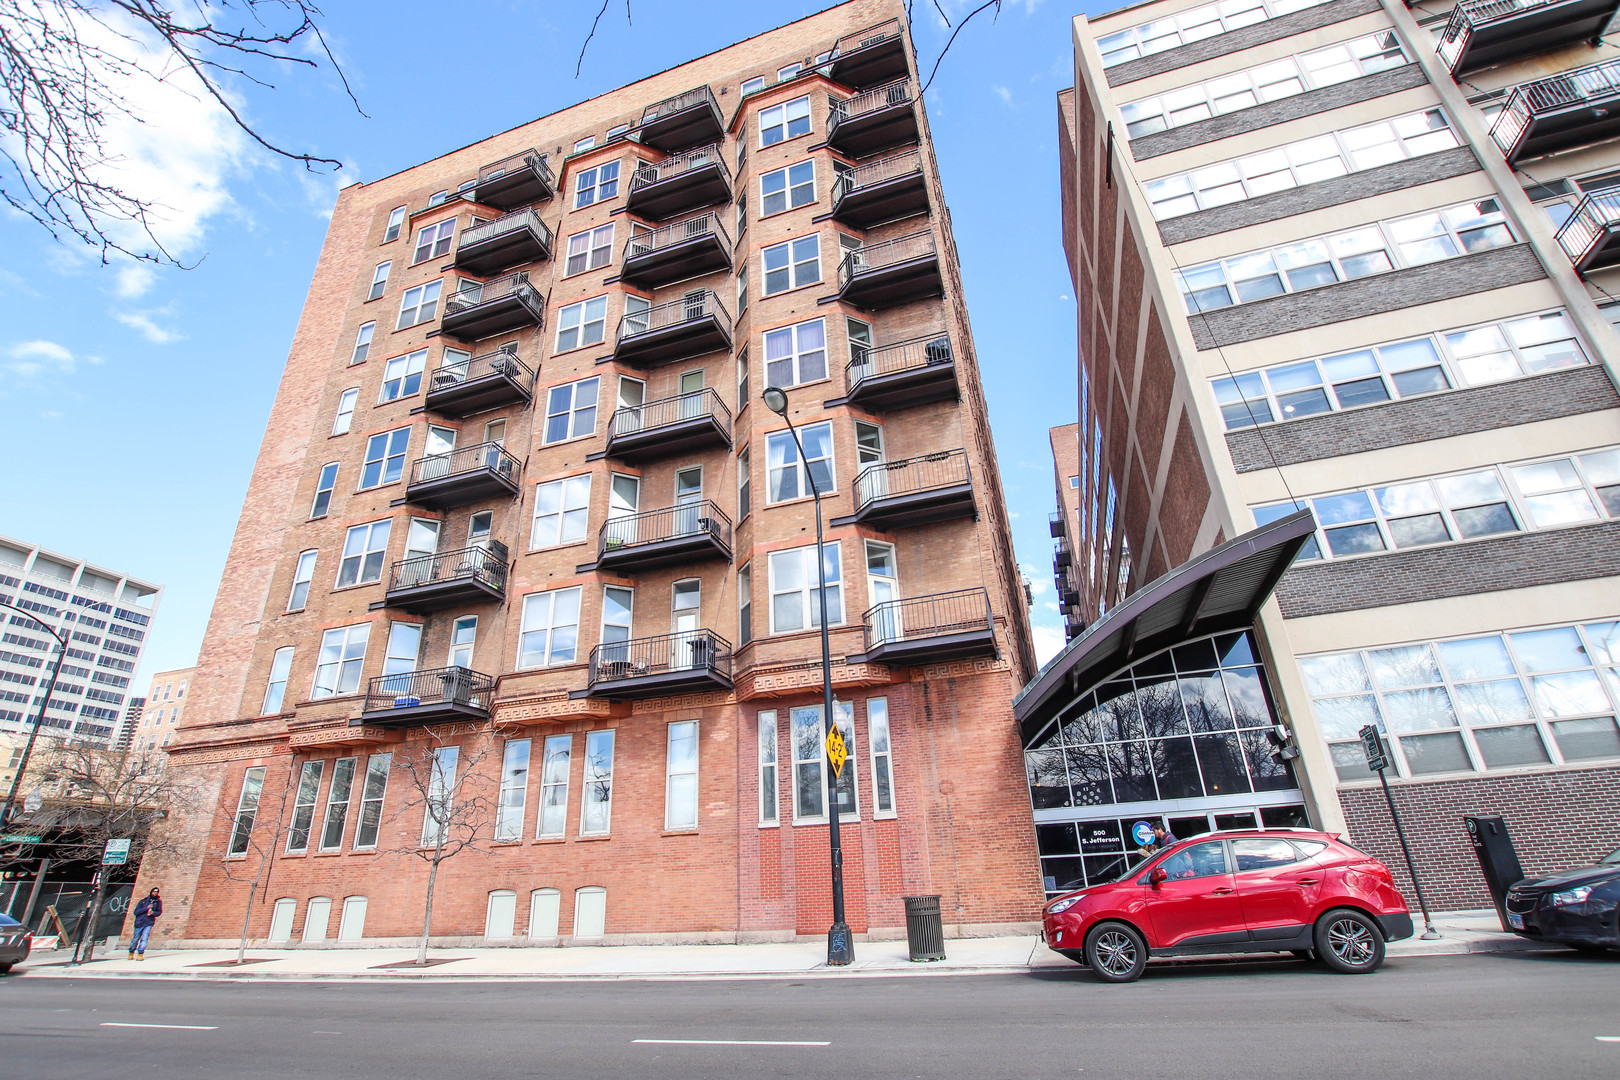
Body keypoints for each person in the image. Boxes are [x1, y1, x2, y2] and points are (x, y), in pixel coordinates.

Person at [129, 887, 162, 960]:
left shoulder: (158, 902)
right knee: (135, 938)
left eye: (156, 892)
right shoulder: (143, 901)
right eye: (154, 892)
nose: (155, 893)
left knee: (144, 938)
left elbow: (159, 912)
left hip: (149, 922)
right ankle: (131, 951)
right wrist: (146, 908)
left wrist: (153, 913)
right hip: (140, 922)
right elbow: (136, 912)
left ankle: (140, 953)